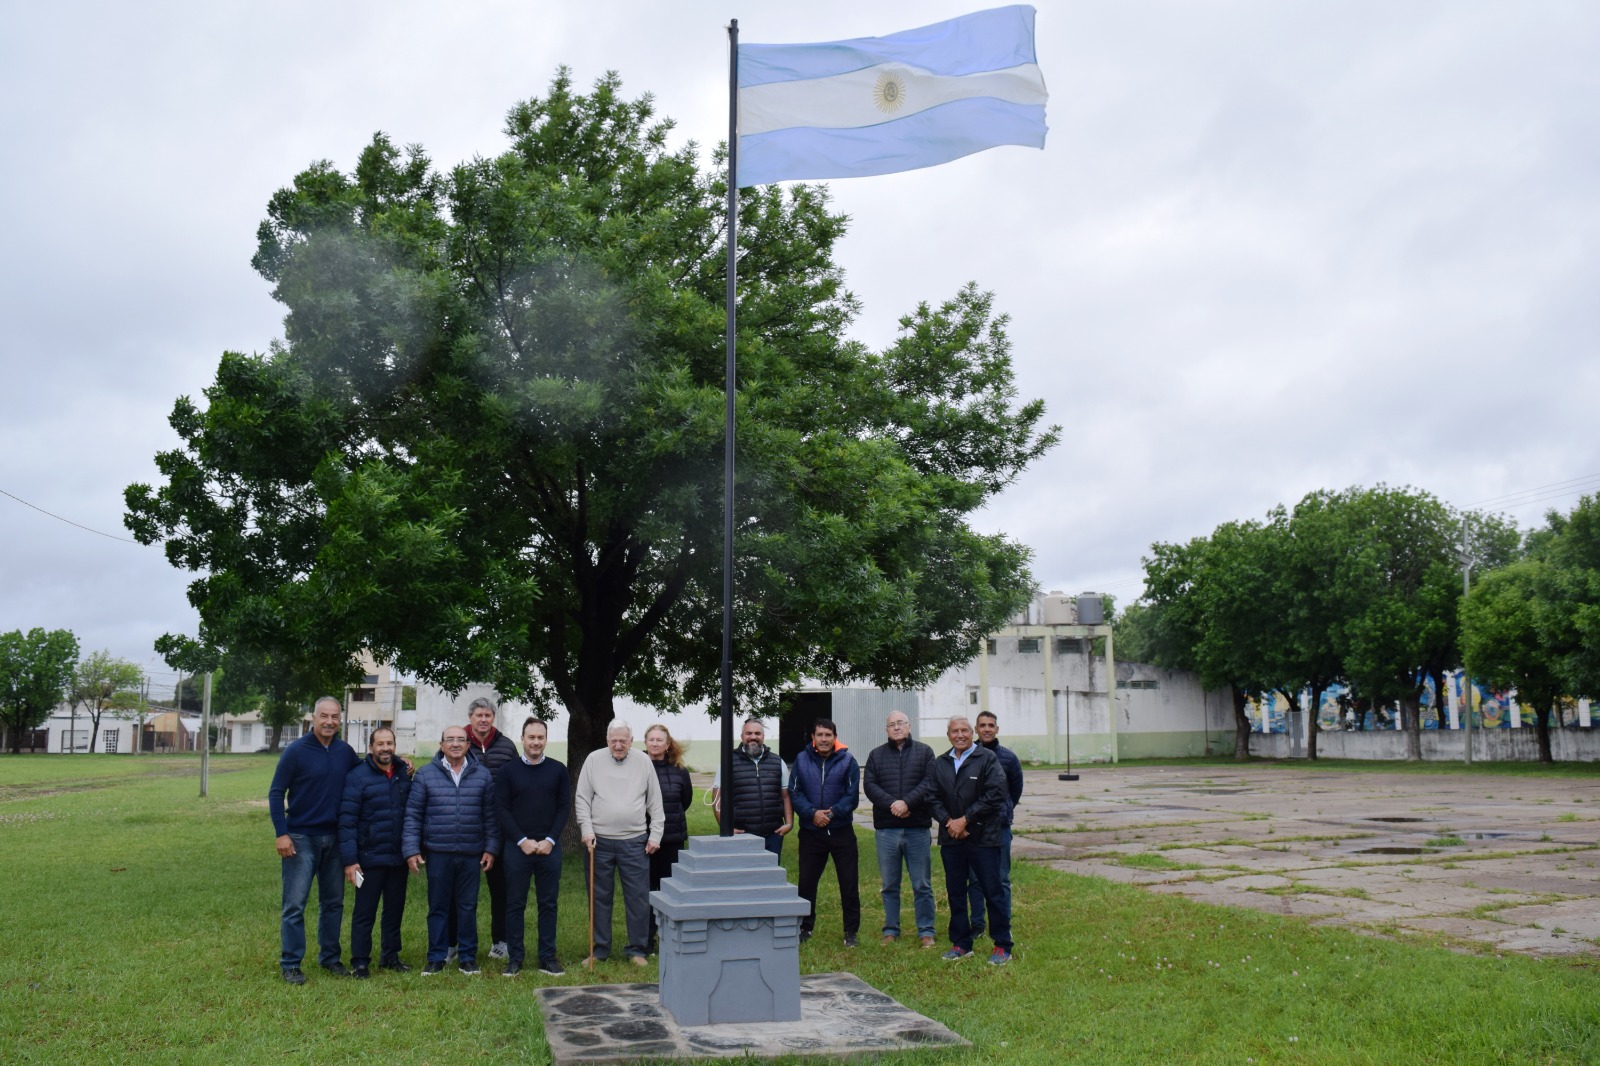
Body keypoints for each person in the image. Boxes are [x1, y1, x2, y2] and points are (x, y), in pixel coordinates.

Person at [268, 696, 359, 985]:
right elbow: (276, 792)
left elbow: (366, 774)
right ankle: (291, 963)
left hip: (336, 838)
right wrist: (281, 833)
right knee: (295, 904)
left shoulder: (345, 752)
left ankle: (330, 958)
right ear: (313, 717)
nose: (330, 721)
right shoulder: (296, 751)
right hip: (300, 838)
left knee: (333, 903)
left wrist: (399, 763)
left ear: (340, 720)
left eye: (335, 717)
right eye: (324, 716)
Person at [402, 726, 501, 975]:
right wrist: (411, 850)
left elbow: (490, 816)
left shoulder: (483, 775)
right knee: (438, 906)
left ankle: (467, 957)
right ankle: (436, 957)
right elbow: (413, 815)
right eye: (450, 739)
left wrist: (491, 848)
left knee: (467, 906)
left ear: (468, 745)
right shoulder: (425, 775)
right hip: (438, 852)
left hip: (471, 852)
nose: (455, 744)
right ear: (441, 744)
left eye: (460, 740)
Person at [573, 720, 664, 967]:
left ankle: (637, 950)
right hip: (598, 841)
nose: (618, 745)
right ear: (607, 740)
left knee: (638, 898)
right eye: (613, 740)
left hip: (634, 841)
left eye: (623, 740)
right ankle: (600, 949)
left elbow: (655, 802)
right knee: (599, 897)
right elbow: (582, 798)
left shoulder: (643, 761)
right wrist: (586, 829)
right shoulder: (593, 760)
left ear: (631, 741)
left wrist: (655, 835)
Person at [929, 715, 1012, 965]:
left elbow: (995, 794)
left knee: (992, 891)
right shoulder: (940, 762)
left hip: (983, 838)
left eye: (964, 730)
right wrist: (949, 822)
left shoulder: (987, 758)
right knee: (955, 892)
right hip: (951, 839)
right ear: (948, 735)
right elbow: (931, 797)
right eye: (955, 731)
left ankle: (1002, 945)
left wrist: (965, 820)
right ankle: (961, 944)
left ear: (972, 733)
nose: (960, 735)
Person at [494, 718, 570, 977]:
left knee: (548, 904)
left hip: (549, 848)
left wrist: (550, 840)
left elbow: (564, 808)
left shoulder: (558, 770)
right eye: (531, 737)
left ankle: (547, 957)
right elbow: (501, 809)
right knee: (515, 904)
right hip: (517, 848)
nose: (536, 742)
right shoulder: (508, 771)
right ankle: (515, 958)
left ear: (546, 739)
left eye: (540, 737)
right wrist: (521, 840)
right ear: (522, 739)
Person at [338, 727, 414, 978]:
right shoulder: (357, 777)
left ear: (395, 746)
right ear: (371, 747)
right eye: (380, 744)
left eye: (389, 743)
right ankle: (360, 961)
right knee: (364, 912)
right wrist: (350, 860)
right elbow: (347, 821)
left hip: (397, 857)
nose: (385, 748)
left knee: (394, 910)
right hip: (368, 858)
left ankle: (390, 956)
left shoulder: (403, 774)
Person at [862, 710, 937, 948]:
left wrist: (907, 803)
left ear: (909, 726)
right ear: (886, 730)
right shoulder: (876, 755)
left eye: (900, 723)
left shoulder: (925, 752)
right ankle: (891, 930)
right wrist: (893, 805)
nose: (896, 727)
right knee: (889, 885)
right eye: (891, 724)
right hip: (887, 830)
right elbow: (870, 786)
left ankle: (926, 931)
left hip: (917, 828)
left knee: (922, 884)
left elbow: (929, 782)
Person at [789, 718, 861, 946]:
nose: (824, 739)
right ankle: (805, 927)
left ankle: (851, 932)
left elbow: (852, 796)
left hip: (841, 832)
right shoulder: (801, 759)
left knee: (849, 883)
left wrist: (830, 814)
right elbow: (794, 792)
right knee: (806, 883)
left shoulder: (848, 760)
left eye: (828, 735)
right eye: (819, 735)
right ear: (813, 737)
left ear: (834, 737)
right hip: (811, 833)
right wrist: (812, 813)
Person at [464, 696, 518, 961]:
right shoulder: (458, 742)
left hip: (500, 831)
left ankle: (501, 942)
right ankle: (458, 944)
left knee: (501, 891)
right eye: (479, 715)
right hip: (466, 829)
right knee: (463, 892)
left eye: (488, 715)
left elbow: (518, 782)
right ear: (471, 718)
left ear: (493, 718)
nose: (483, 720)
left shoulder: (506, 746)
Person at [966, 709, 1024, 942]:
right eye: (983, 725)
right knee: (975, 879)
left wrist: (1004, 810)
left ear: (997, 729)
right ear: (976, 729)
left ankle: (1002, 922)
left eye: (991, 725)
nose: (987, 729)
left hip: (999, 827)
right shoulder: (968, 756)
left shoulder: (1008, 758)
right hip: (974, 827)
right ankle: (978, 924)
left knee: (1001, 878)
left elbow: (1015, 790)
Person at [710, 718, 793, 856]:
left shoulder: (777, 762)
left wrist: (789, 823)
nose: (753, 737)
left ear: (763, 736)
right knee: (743, 870)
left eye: (757, 733)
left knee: (771, 870)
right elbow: (717, 797)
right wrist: (725, 827)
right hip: (741, 834)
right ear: (742, 736)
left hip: (773, 834)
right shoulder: (728, 761)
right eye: (748, 733)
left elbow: (786, 796)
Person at [644, 723, 693, 954]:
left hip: (672, 839)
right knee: (646, 890)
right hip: (643, 839)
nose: (655, 744)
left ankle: (669, 936)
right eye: (651, 739)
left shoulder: (679, 770)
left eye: (659, 740)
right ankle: (646, 939)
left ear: (667, 744)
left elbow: (686, 800)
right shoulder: (638, 766)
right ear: (645, 742)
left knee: (670, 890)